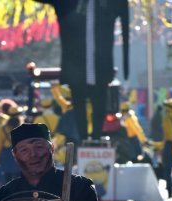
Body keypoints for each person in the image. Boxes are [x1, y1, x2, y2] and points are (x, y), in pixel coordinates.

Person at [36, 0, 129, 140]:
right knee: (79, 106)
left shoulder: (107, 4)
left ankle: (96, 137)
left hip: (100, 67)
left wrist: (126, 61)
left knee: (99, 105)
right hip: (76, 67)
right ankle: (84, 137)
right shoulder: (70, 4)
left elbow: (124, 16)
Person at [0, 105, 24, 184]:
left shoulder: (2, 127)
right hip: (20, 153)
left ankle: (9, 195)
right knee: (19, 178)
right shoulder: (23, 126)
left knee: (7, 179)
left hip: (7, 154)